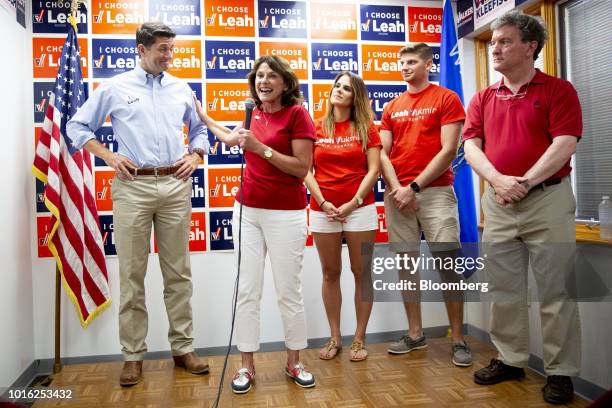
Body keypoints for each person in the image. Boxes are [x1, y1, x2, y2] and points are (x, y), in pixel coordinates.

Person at [66, 22, 210, 386]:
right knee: (132, 275)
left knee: (178, 273)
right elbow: (77, 127)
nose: (169, 55)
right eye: (162, 48)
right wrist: (108, 157)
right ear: (141, 49)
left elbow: (199, 129)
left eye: (171, 48)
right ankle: (133, 355)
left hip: (176, 186)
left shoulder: (181, 88)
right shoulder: (114, 87)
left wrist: (196, 155)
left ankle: (184, 348)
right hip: (133, 188)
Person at [463, 11, 582, 405]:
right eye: (493, 41)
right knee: (503, 289)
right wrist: (498, 181)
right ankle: (511, 358)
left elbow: (564, 143)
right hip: (498, 203)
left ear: (530, 46)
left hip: (546, 199)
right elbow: (471, 147)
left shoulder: (557, 90)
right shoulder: (482, 97)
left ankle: (561, 372)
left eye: (504, 41)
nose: (495, 48)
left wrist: (525, 182)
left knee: (556, 291)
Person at [195, 55, 316, 394]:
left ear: (285, 82)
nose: (264, 81)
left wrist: (260, 149)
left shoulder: (297, 115)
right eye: (259, 75)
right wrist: (204, 117)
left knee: (288, 291)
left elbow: (301, 168)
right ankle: (246, 366)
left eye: (271, 75)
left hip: (286, 214)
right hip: (247, 210)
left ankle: (294, 362)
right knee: (247, 289)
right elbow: (232, 137)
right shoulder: (254, 113)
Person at [379, 43, 473, 367]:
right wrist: (397, 189)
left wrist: (415, 187)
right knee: (407, 268)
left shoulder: (446, 98)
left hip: (435, 192)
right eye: (401, 62)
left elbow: (449, 150)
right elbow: (382, 153)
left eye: (412, 61)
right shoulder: (392, 106)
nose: (405, 67)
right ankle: (415, 334)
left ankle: (458, 339)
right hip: (397, 196)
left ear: (428, 64)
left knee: (448, 266)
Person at [303, 72, 381, 362]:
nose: (339, 90)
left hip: (359, 209)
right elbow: (306, 169)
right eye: (337, 85)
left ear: (355, 96)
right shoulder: (316, 127)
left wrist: (354, 202)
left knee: (362, 273)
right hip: (323, 211)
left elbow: (373, 170)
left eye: (346, 88)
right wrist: (322, 202)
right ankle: (335, 337)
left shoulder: (367, 128)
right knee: (329, 273)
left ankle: (359, 339)